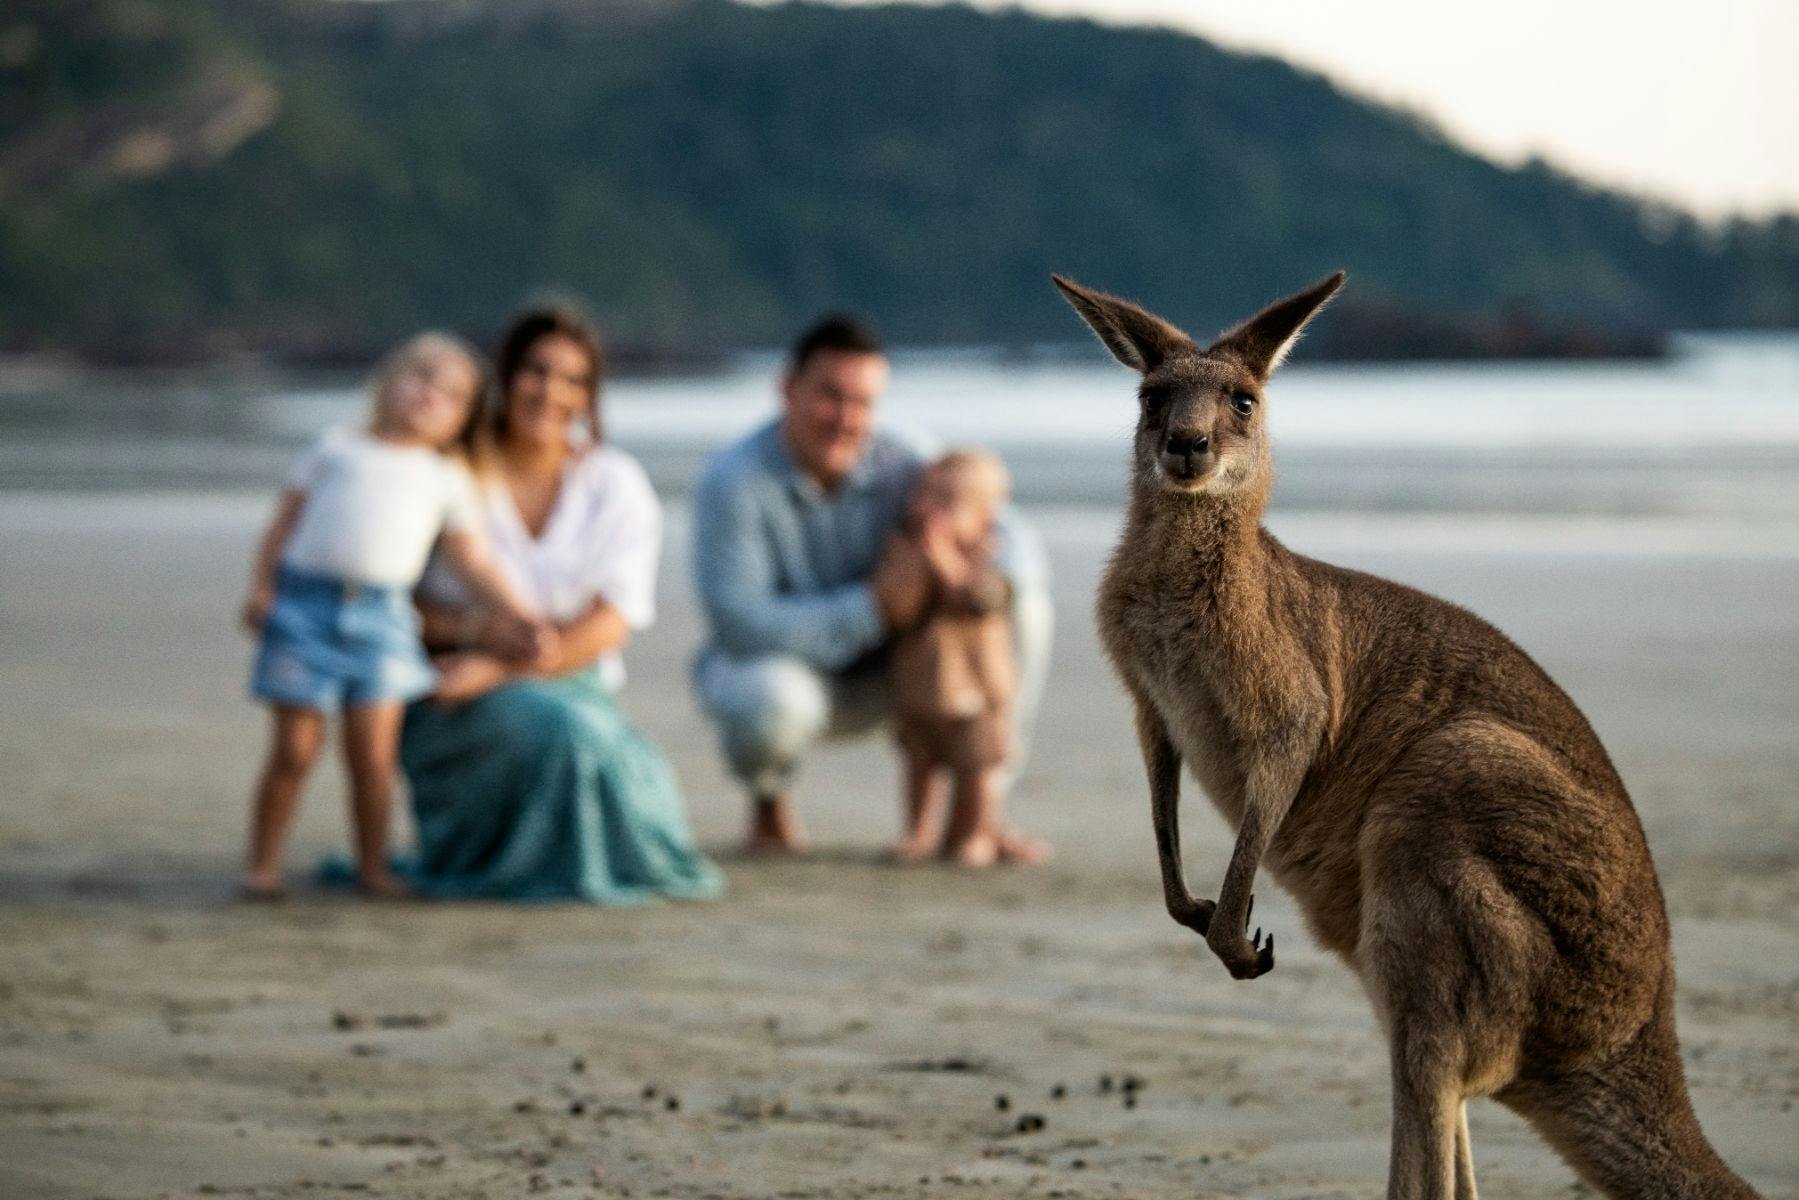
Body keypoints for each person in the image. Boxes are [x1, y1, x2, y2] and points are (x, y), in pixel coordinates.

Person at [691, 315, 1053, 859]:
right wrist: (874, 607)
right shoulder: (732, 482)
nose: (847, 419)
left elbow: (1013, 537)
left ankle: (983, 809)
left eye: (863, 403)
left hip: (904, 670)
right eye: (830, 397)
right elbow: (740, 624)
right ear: (787, 388)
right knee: (765, 700)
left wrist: (972, 580)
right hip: (798, 676)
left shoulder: (904, 458)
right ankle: (768, 803)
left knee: (1024, 606)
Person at [398, 305, 721, 903]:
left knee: (627, 777)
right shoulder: (449, 471)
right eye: (536, 371)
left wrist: (503, 666)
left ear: (592, 397)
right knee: (559, 736)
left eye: (574, 380)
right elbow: (394, 605)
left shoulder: (613, 482)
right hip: (448, 693)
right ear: (504, 374)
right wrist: (475, 632)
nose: (551, 392)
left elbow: (611, 623)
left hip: (574, 684)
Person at [240, 333, 543, 901]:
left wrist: (519, 611)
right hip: (306, 607)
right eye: (421, 376)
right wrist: (261, 588)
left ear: (464, 419)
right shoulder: (336, 448)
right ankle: (263, 865)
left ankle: (372, 867)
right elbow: (282, 525)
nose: (431, 394)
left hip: (382, 619)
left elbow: (472, 558)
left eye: (453, 394)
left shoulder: (446, 476)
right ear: (388, 381)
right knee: (294, 751)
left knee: (373, 758)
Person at [889, 450, 1048, 866]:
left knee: (977, 769)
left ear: (985, 518)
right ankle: (919, 831)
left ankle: (976, 832)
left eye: (945, 501)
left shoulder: (989, 553)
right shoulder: (903, 549)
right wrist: (918, 561)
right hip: (923, 689)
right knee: (919, 765)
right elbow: (895, 607)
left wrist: (943, 559)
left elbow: (982, 599)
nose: (928, 508)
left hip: (978, 690)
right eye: (922, 495)